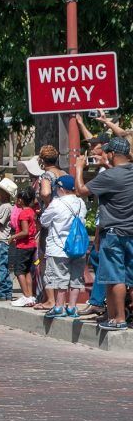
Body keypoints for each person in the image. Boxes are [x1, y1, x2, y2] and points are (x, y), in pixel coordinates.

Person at [76, 137, 133, 331]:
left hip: (114, 233)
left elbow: (81, 190)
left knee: (114, 277)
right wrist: (108, 165)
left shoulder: (109, 177)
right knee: (130, 277)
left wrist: (78, 168)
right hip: (131, 231)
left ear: (111, 154)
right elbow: (119, 179)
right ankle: (119, 316)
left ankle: (118, 319)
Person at [39, 175, 88, 319]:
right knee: (76, 278)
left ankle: (59, 306)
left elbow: (44, 221)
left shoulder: (57, 203)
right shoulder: (81, 203)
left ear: (61, 189)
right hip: (78, 247)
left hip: (59, 247)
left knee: (60, 278)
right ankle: (72, 307)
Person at [9, 187, 39, 307]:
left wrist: (13, 237)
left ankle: (26, 296)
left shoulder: (23, 213)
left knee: (19, 271)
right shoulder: (31, 211)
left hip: (23, 246)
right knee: (27, 271)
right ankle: (30, 296)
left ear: (20, 200)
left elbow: (25, 232)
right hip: (32, 245)